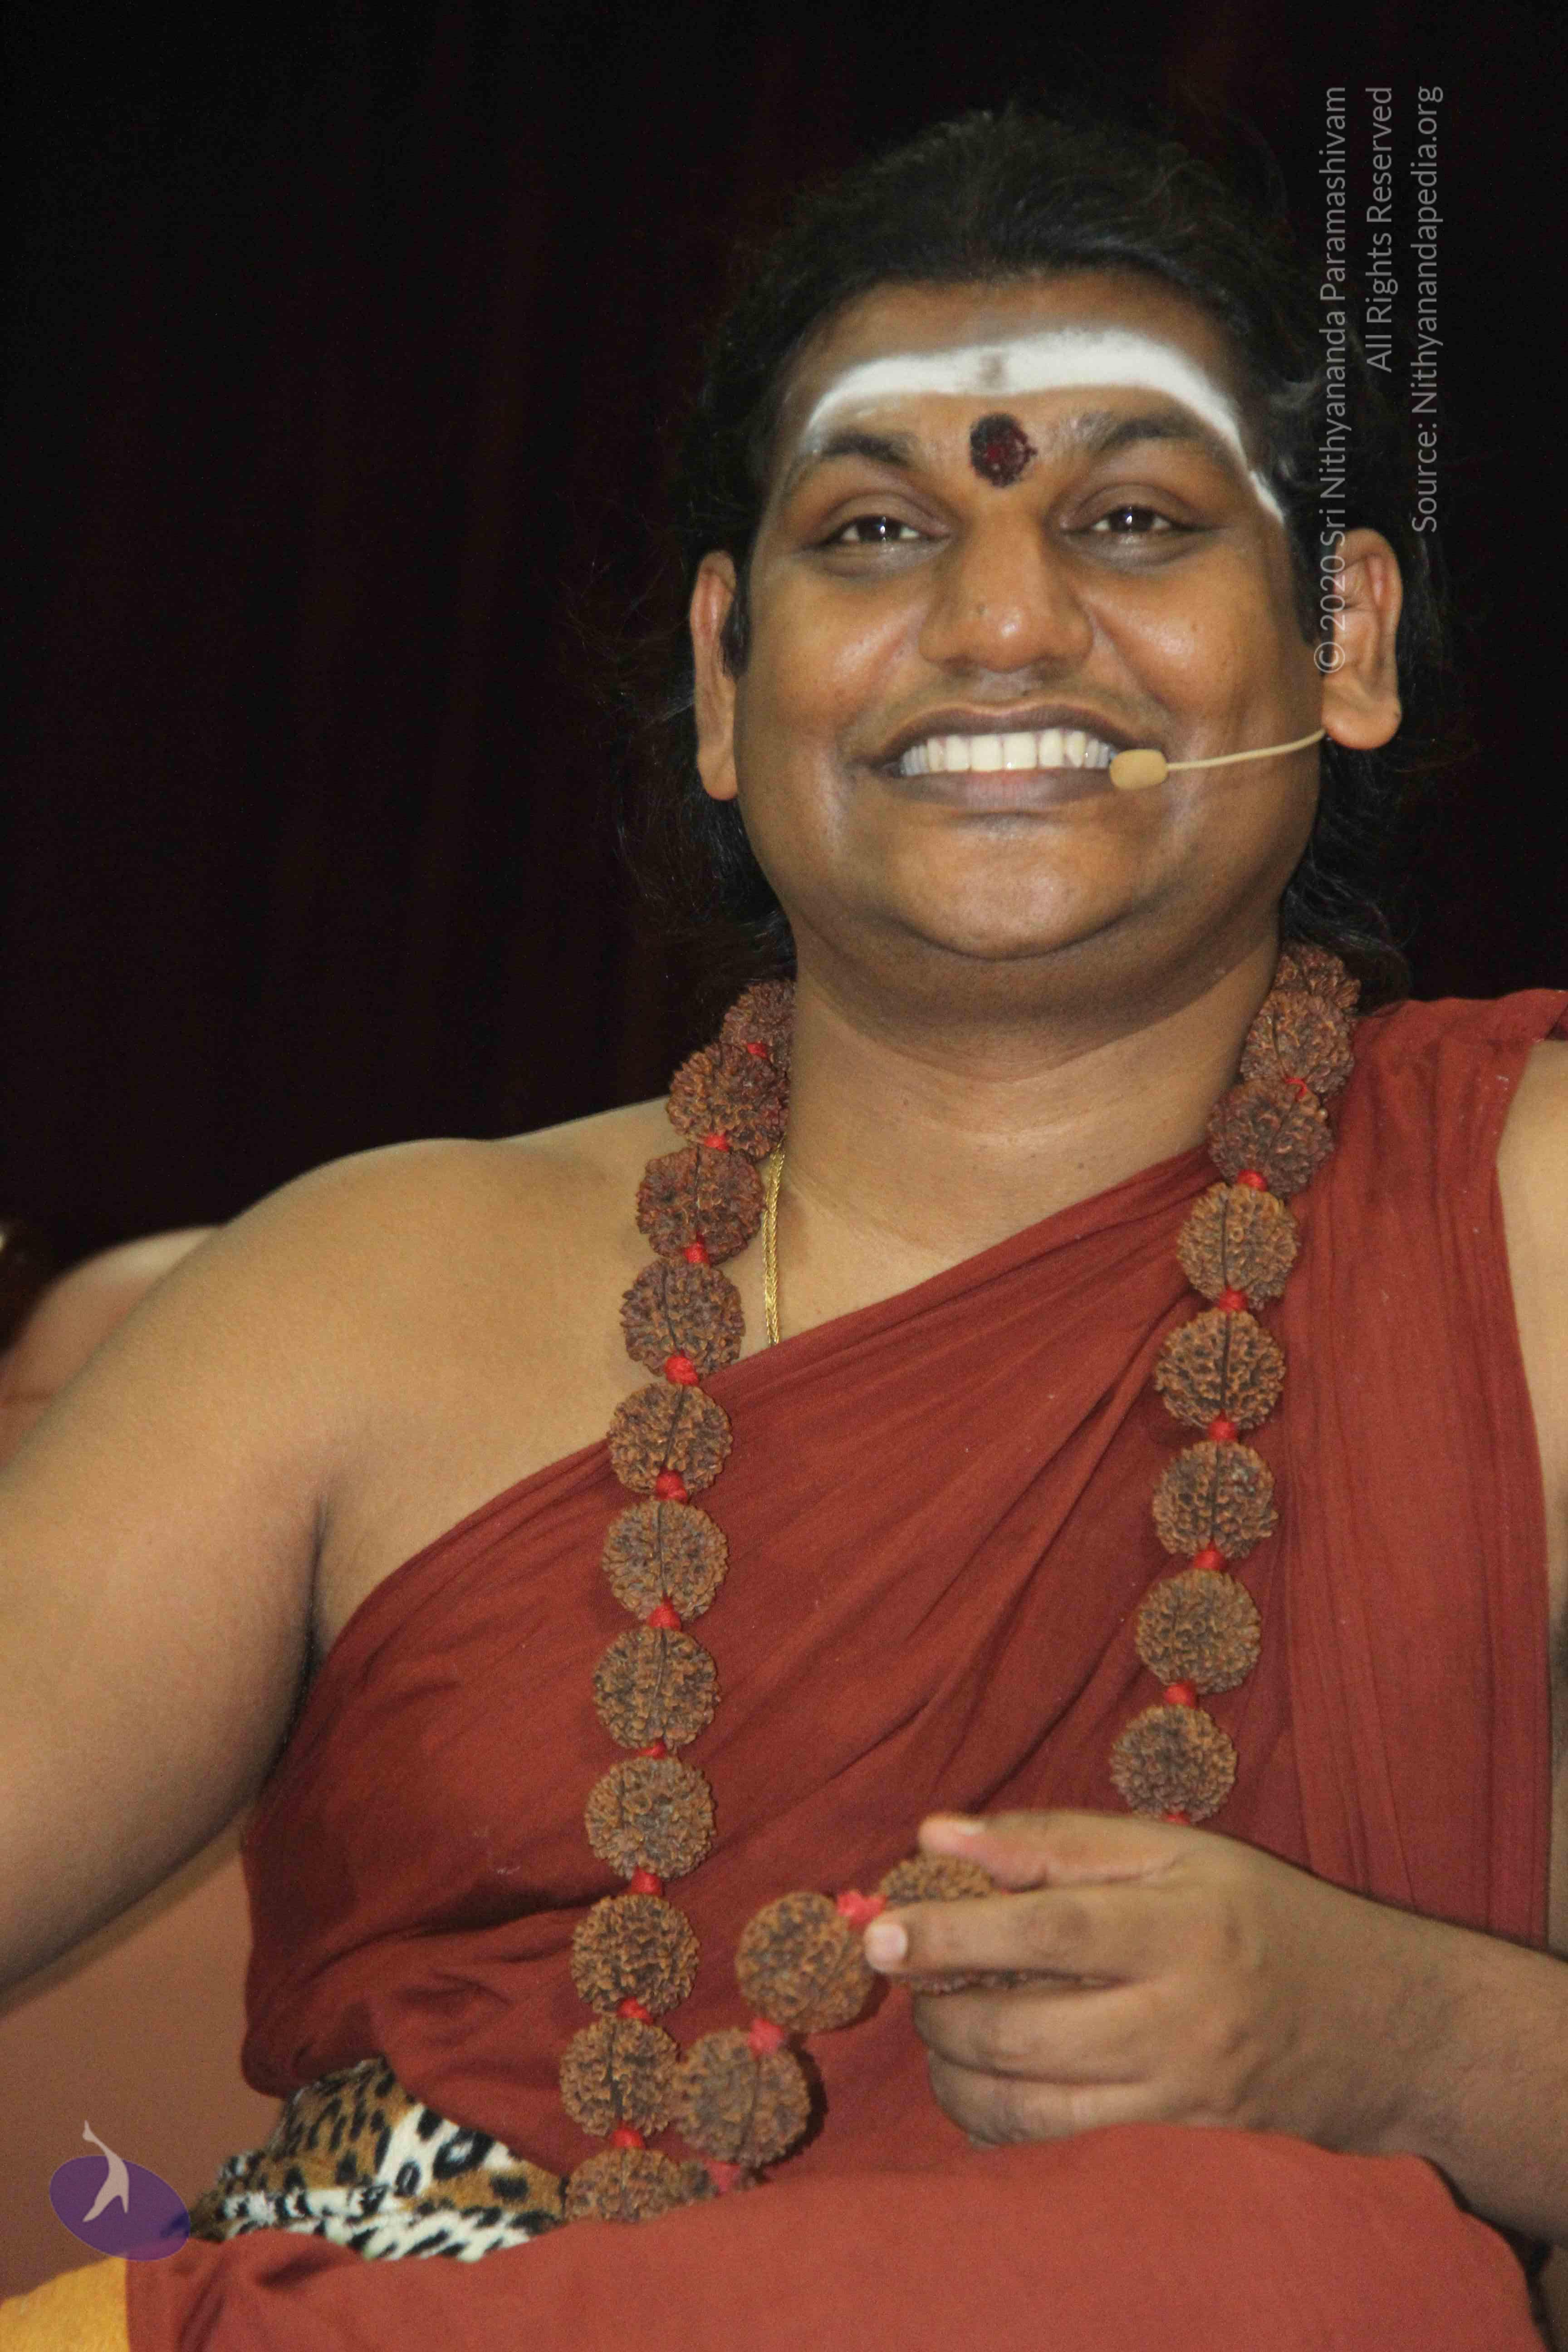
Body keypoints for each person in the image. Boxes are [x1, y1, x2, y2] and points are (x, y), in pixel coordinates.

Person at [1, 107, 1564, 2351]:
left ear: (1344, 637)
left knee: (1304, 2277)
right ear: (731, 681)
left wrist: (1410, 2042)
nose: (1003, 623)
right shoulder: (368, 1288)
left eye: (1133, 518)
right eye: (875, 531)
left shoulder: (1532, 1227)